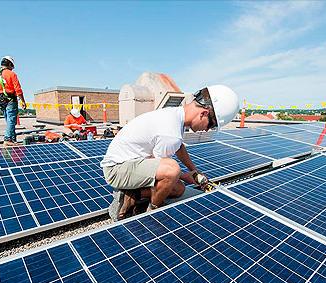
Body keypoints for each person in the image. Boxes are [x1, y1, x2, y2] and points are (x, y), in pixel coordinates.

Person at [101, 85, 239, 221]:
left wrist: (194, 171)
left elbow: (179, 147)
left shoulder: (175, 115)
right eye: (211, 125)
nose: (208, 130)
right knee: (172, 170)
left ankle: (132, 195)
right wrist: (186, 176)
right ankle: (152, 211)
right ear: (204, 113)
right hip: (117, 170)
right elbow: (166, 171)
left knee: (178, 189)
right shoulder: (171, 132)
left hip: (128, 164)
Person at [0, 56, 26, 146]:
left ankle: (12, 139)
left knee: (8, 119)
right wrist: (23, 101)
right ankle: (8, 139)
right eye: (12, 66)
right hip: (10, 99)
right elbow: (18, 90)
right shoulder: (11, 74)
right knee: (12, 119)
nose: (12, 69)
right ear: (9, 64)